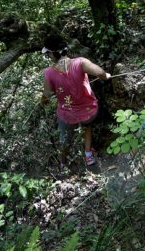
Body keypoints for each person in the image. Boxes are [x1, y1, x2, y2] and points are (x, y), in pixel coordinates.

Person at [40, 34, 111, 167]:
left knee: (65, 139)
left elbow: (47, 95)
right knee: (87, 125)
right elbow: (100, 73)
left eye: (48, 54)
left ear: (53, 53)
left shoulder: (49, 73)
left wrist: (43, 102)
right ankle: (88, 155)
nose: (48, 56)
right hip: (89, 111)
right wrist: (105, 76)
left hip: (67, 115)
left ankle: (62, 163)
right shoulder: (81, 62)